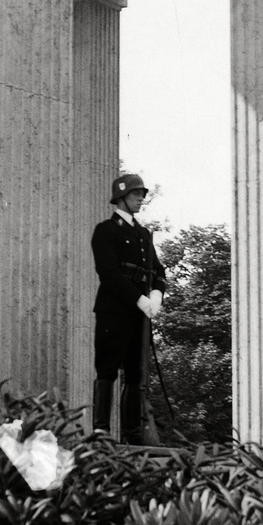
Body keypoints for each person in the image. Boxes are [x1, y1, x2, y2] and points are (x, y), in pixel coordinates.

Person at [91, 172, 167, 444]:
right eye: (136, 195)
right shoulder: (106, 230)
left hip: (139, 311)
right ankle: (101, 431)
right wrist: (139, 298)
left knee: (136, 372)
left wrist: (156, 294)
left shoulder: (143, 234)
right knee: (108, 368)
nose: (140, 200)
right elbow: (108, 272)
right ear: (121, 197)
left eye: (142, 195)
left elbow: (157, 270)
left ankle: (132, 433)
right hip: (114, 308)